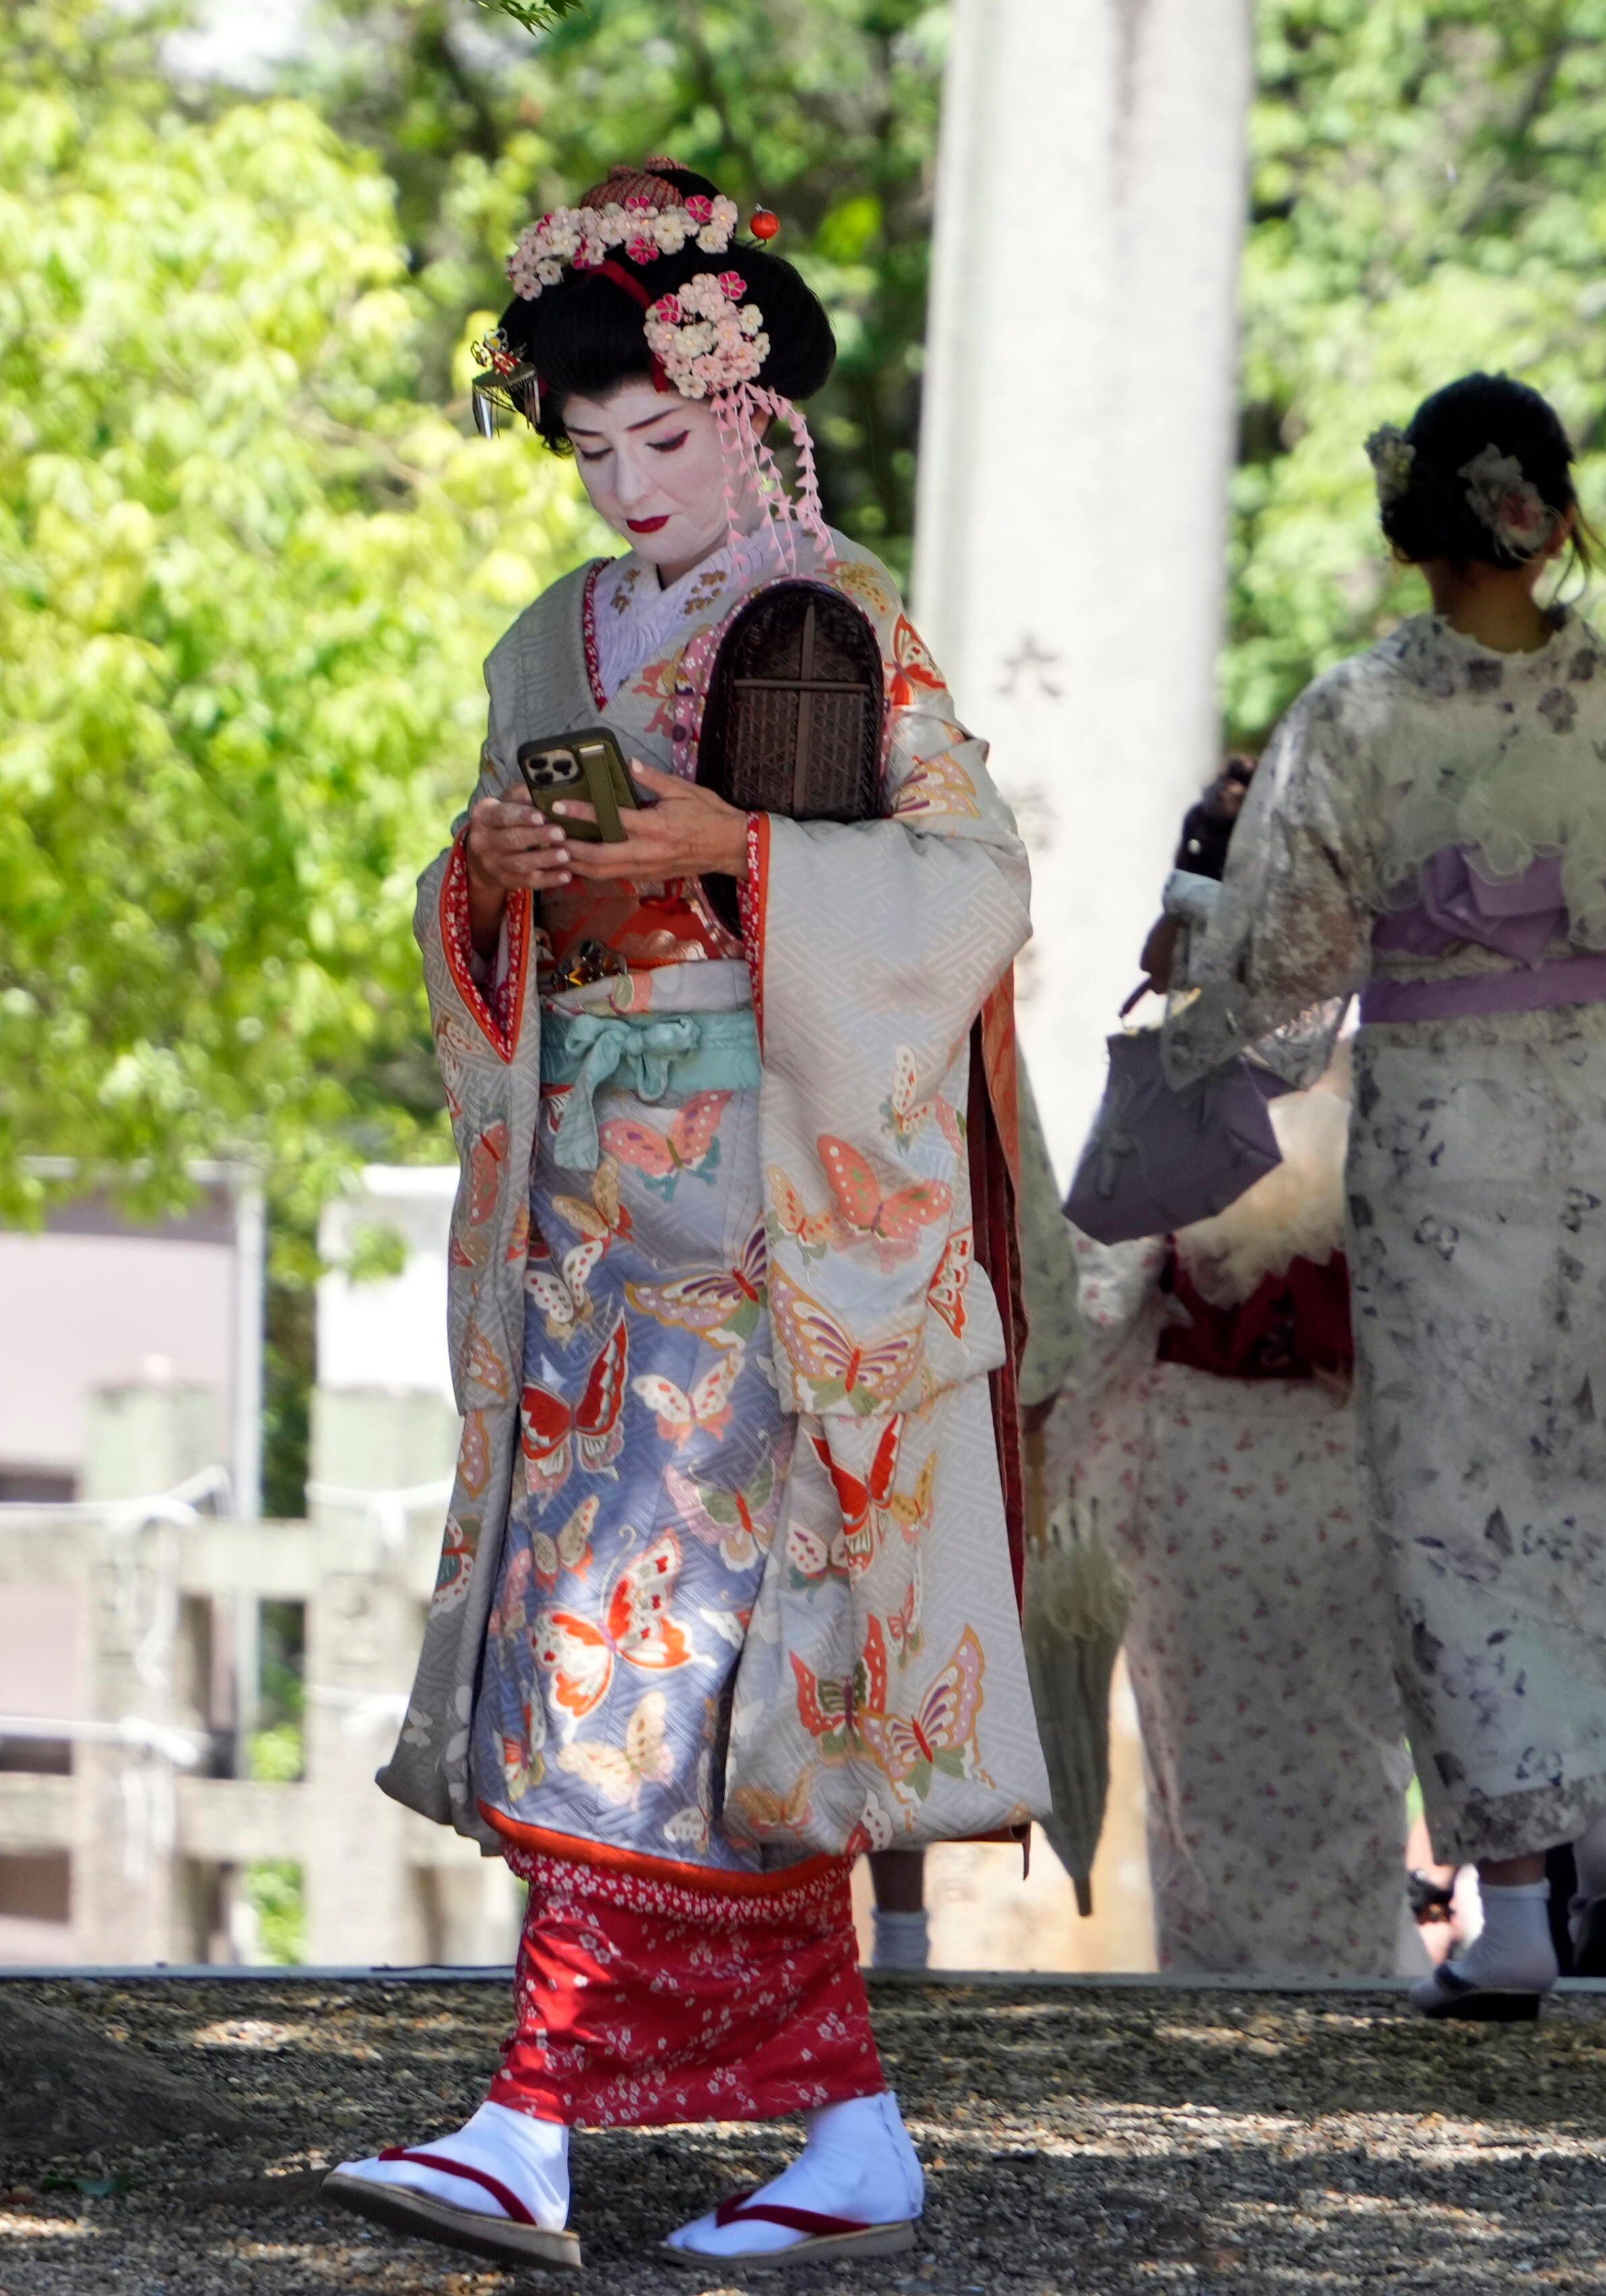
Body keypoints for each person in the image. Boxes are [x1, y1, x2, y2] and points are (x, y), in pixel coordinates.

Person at [330, 163, 1045, 2272]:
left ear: (747, 402)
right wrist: (493, 882)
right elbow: (467, 900)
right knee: (657, 1669)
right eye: (591, 451)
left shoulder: (841, 621)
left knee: (648, 1657)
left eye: (664, 438)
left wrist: (743, 847)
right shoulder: (543, 639)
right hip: (582, 1217)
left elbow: (973, 882)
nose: (627, 487)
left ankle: (528, 2116)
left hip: (765, 1213)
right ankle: (843, 2129)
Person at [1160, 372, 1606, 2018]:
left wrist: (1191, 1002)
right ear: (1553, 517)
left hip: (1454, 1132)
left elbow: (1285, 963)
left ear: (1410, 527)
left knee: (1454, 1480)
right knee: (1598, 1451)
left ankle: (1511, 1904)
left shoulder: (1358, 713)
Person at [1048, 762, 1414, 1976]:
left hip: (1198, 1462)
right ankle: (1356, 1991)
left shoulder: (1189, 1058)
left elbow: (1098, 1279)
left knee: (1202, 1773)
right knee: (1358, 1758)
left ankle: (1218, 2021)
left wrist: (1053, 1448)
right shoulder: (1416, 1053)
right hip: (1354, 1452)